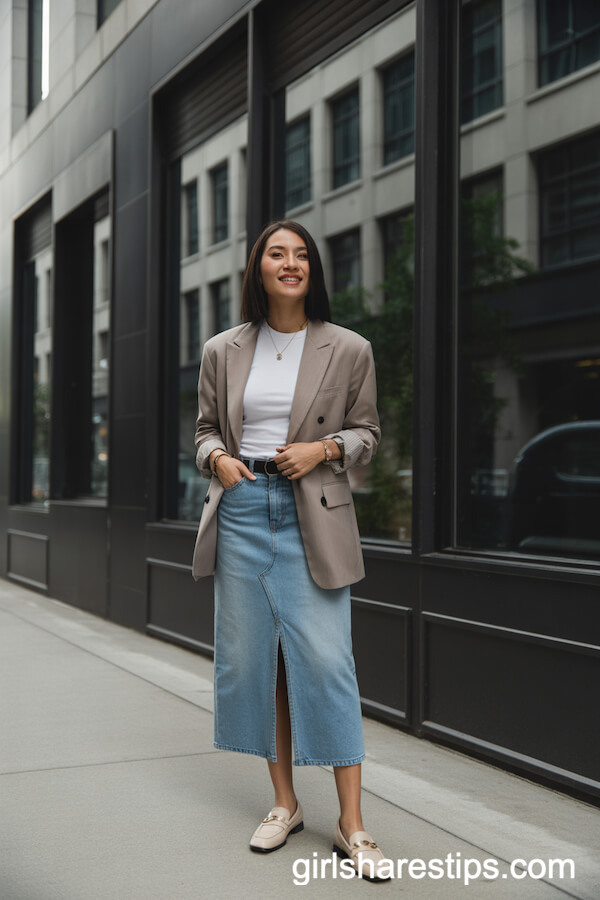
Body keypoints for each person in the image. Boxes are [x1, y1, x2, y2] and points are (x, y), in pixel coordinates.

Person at [192, 220, 389, 881]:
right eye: (278, 253)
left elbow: (368, 432)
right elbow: (204, 432)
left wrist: (326, 449)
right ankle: (284, 803)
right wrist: (217, 457)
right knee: (259, 664)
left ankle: (352, 825)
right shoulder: (223, 349)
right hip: (244, 507)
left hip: (314, 512)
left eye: (302, 254)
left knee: (329, 663)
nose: (291, 262)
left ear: (314, 271)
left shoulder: (349, 347)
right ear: (258, 268)